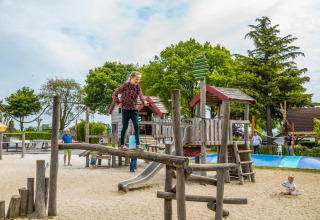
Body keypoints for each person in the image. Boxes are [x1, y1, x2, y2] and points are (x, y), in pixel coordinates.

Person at [112, 71, 148, 151]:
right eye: (136, 79)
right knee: (125, 126)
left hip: (134, 109)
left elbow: (141, 95)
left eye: (138, 80)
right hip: (125, 109)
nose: (137, 81)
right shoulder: (125, 85)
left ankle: (137, 145)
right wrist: (118, 103)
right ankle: (122, 144)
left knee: (136, 125)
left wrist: (144, 101)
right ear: (131, 78)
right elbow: (115, 93)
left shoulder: (138, 87)